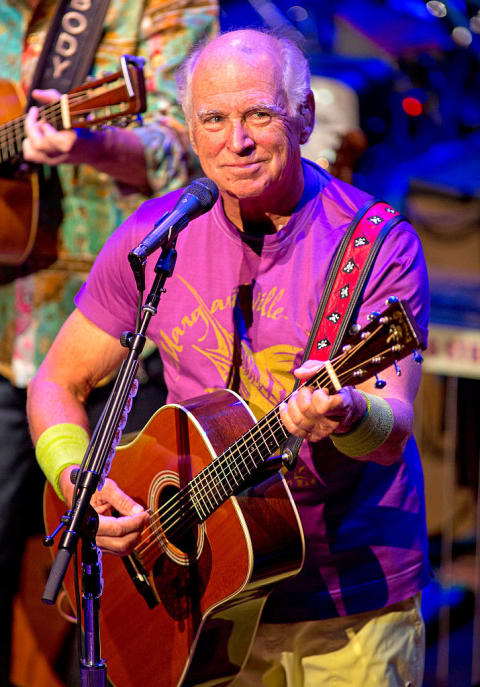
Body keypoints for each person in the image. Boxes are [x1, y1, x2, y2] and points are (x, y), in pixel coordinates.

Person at [27, 28, 430, 687]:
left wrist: (350, 409)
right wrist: (79, 482)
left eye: (259, 115)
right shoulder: (158, 235)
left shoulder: (376, 244)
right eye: (213, 118)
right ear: (189, 128)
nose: (234, 141)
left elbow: (390, 431)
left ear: (303, 117)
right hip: (198, 598)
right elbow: (56, 382)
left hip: (349, 600)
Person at [0, 2, 218, 684]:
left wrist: (90, 141)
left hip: (121, 348)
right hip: (6, 327)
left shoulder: (163, 6)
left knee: (122, 590)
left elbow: (188, 150)